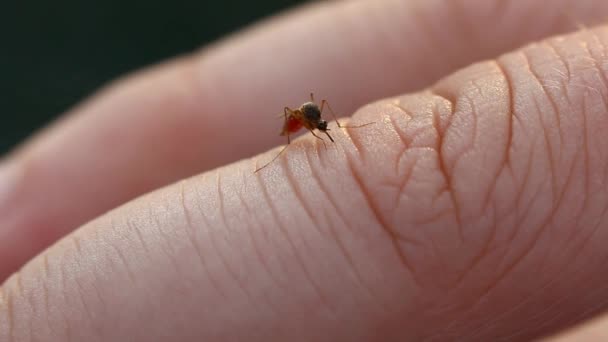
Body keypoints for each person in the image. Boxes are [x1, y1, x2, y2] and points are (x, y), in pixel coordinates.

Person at [1, 0, 608, 340]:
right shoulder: (306, 122)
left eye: (317, 130)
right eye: (315, 129)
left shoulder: (323, 123)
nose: (318, 132)